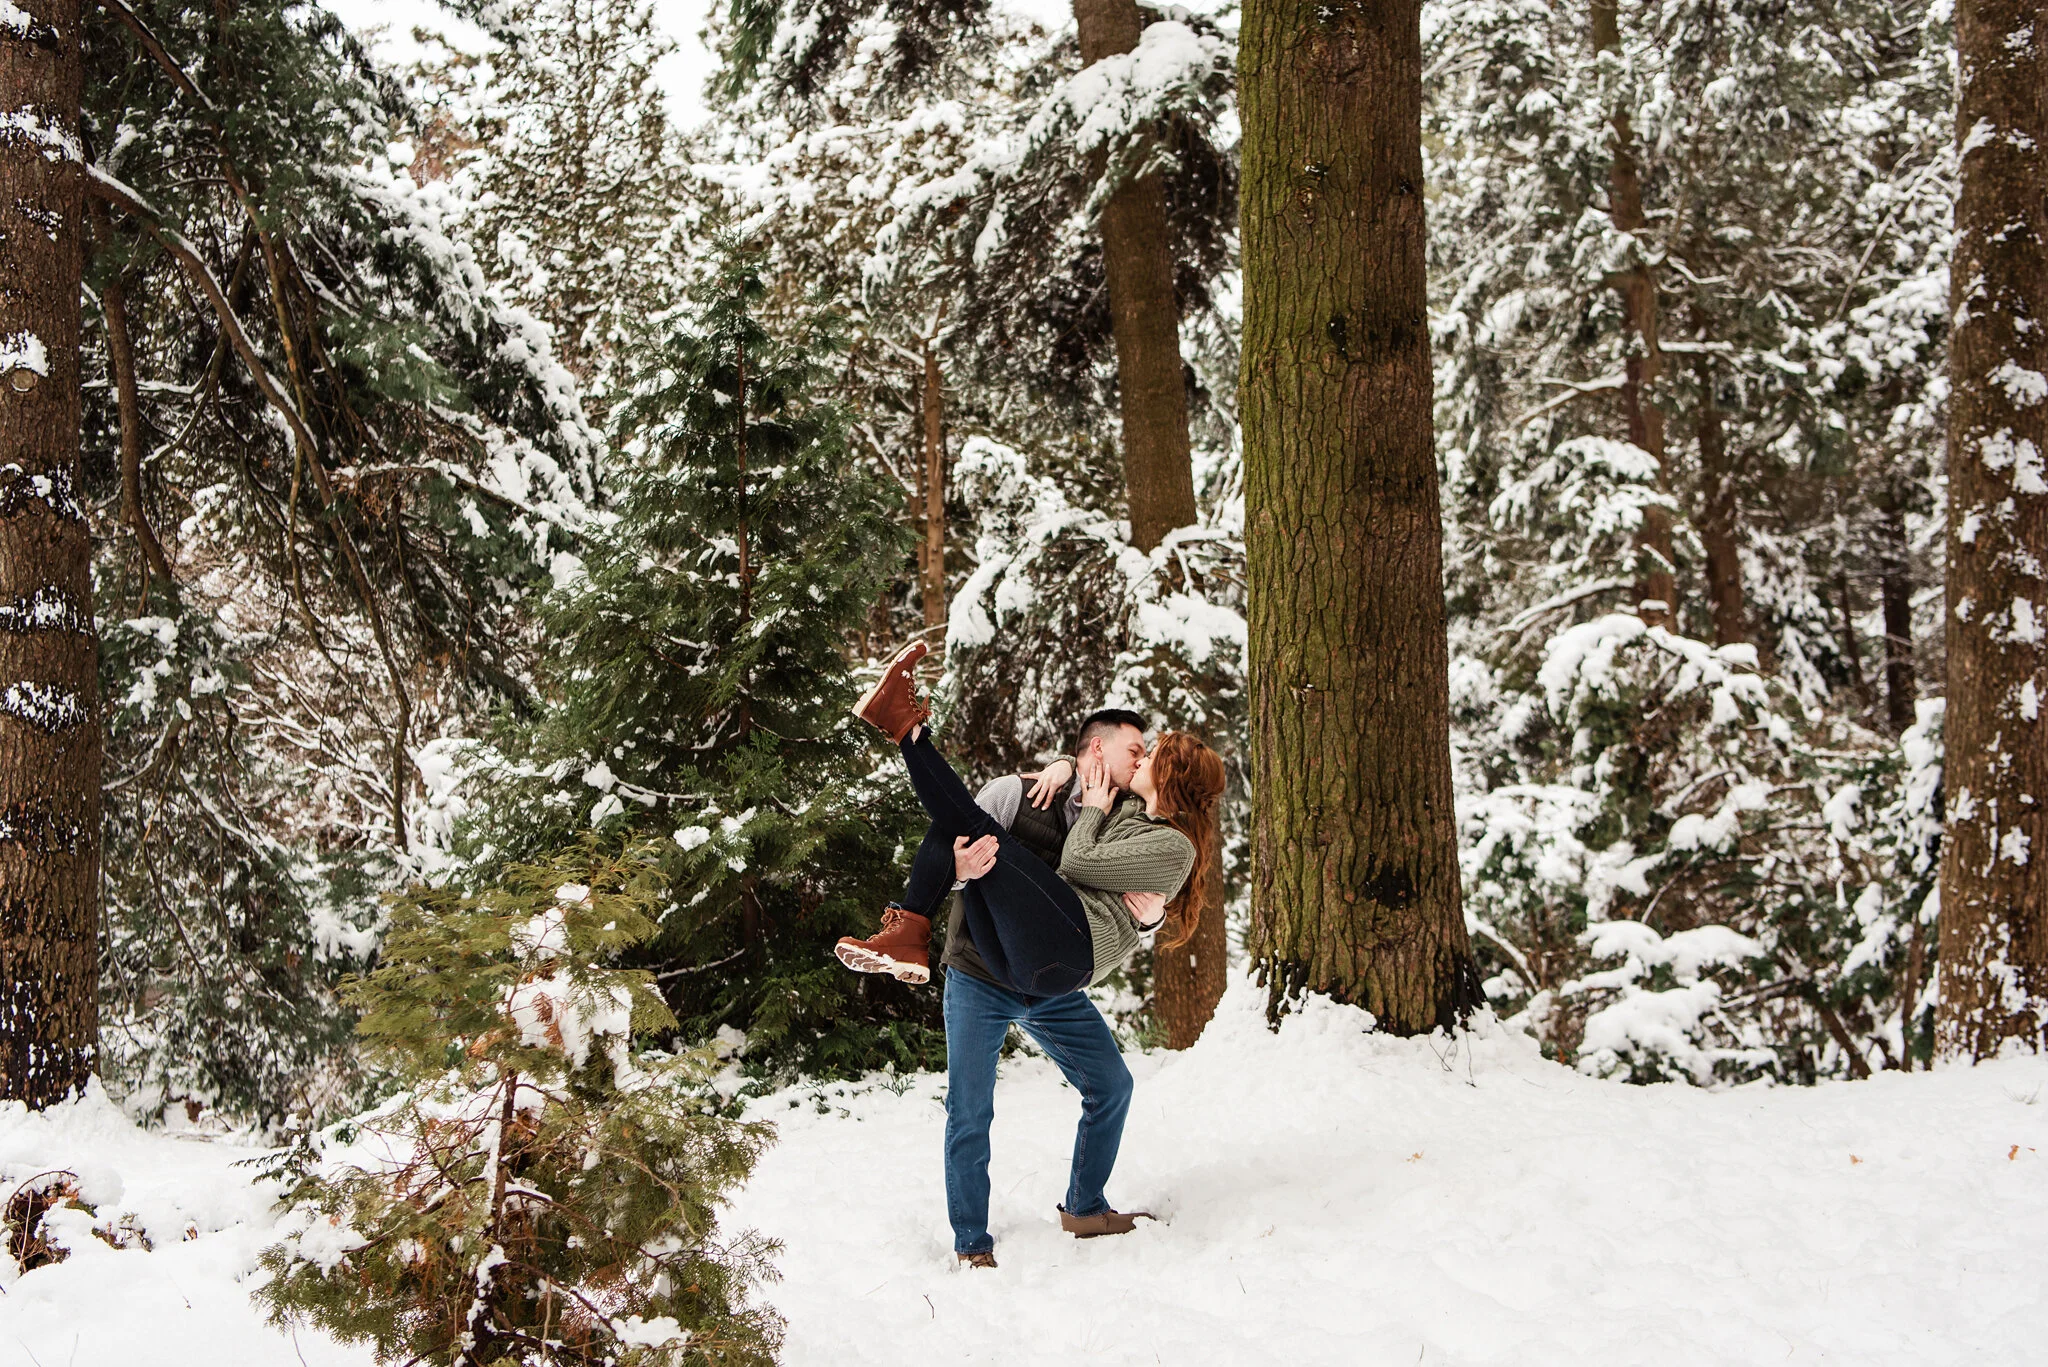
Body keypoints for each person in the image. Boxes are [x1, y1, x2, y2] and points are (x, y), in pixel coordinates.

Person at [836, 639, 1226, 1267]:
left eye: (1148, 755)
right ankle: (972, 1244)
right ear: (1096, 751)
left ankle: (1086, 1206)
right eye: (1135, 749)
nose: (1140, 758)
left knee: (1113, 1086)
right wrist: (960, 874)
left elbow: (1127, 880)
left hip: (1050, 979)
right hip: (981, 969)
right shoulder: (1017, 794)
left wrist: (1149, 918)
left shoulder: (1125, 810)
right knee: (970, 1110)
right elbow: (956, 838)